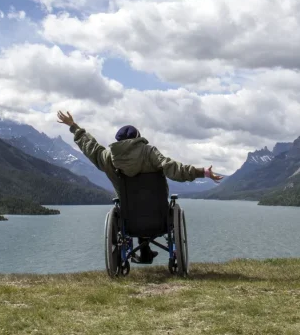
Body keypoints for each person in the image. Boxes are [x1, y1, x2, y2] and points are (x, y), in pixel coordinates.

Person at [57, 110, 224, 263]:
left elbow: (91, 148)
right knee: (148, 202)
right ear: (138, 138)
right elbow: (174, 169)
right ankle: (149, 252)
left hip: (130, 219)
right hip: (159, 216)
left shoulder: (108, 157)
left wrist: (73, 127)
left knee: (133, 205)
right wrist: (202, 172)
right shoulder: (148, 152)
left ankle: (144, 252)